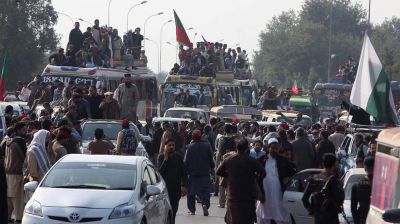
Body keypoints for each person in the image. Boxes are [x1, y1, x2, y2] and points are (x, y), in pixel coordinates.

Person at [216, 137, 265, 224]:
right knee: (247, 219)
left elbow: (218, 172)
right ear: (247, 148)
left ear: (236, 147)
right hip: (248, 195)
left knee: (234, 219)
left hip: (233, 195)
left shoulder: (228, 159)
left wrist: (230, 176)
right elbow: (263, 173)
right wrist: (253, 176)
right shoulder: (252, 161)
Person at [256, 138, 297, 224]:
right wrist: (259, 192)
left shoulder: (282, 160)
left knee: (280, 210)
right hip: (265, 190)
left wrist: (288, 177)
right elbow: (255, 176)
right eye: (273, 148)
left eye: (276, 148)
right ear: (268, 148)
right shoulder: (261, 160)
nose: (275, 150)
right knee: (265, 211)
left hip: (278, 190)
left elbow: (294, 171)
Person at [302, 153, 345, 224]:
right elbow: (340, 200)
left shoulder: (313, 178)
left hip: (318, 218)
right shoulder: (333, 179)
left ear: (323, 164)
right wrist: (341, 187)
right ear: (334, 165)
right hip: (331, 218)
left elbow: (304, 199)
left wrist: (313, 212)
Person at [184, 130, 215, 216]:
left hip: (192, 174)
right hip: (205, 173)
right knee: (205, 191)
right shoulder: (207, 146)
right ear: (201, 136)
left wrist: (184, 173)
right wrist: (212, 170)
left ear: (193, 137)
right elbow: (211, 160)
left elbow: (185, 162)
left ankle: (192, 210)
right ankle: (205, 204)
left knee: (191, 193)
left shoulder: (189, 147)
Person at [158, 138, 187, 224]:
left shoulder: (178, 157)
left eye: (173, 145)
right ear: (165, 146)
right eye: (169, 145)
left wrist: (184, 186)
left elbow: (184, 173)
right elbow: (159, 173)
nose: (171, 147)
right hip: (164, 191)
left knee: (173, 211)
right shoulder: (161, 157)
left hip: (176, 190)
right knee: (165, 212)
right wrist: (166, 160)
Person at [4, 122, 27, 223]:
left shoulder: (7, 140)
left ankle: (7, 217)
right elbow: (25, 157)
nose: (25, 131)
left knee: (9, 198)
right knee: (17, 199)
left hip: (7, 173)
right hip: (17, 173)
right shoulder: (20, 141)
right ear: (18, 130)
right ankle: (18, 219)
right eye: (23, 129)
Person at [351, 156, 374, 224]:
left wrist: (356, 220)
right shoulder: (380, 185)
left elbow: (353, 208)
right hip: (376, 218)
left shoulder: (357, 185)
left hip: (362, 218)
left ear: (365, 167)